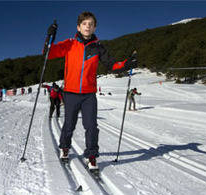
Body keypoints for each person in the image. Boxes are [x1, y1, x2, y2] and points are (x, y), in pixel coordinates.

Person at [45, 11, 137, 170]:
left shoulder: (98, 47)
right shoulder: (70, 44)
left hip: (89, 94)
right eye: (84, 24)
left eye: (91, 24)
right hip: (71, 93)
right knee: (69, 124)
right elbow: (48, 53)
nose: (88, 26)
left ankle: (92, 156)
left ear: (94, 28)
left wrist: (126, 64)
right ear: (78, 27)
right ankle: (65, 147)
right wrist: (49, 36)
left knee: (91, 126)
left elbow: (112, 65)